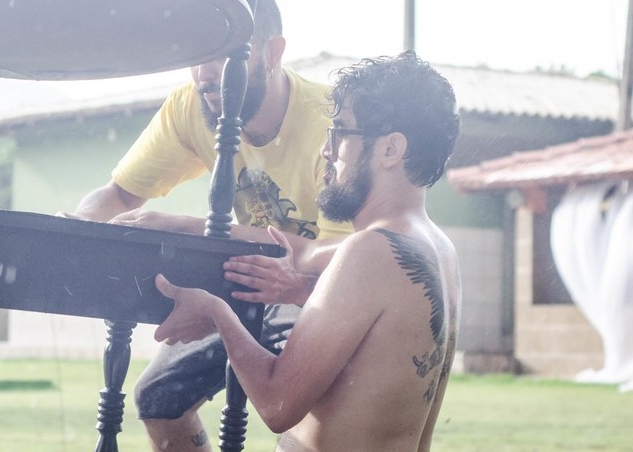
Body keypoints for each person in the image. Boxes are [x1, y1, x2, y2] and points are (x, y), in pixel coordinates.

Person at [65, 0, 352, 451]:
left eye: (223, 54)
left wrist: (190, 229)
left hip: (315, 291)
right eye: (195, 56)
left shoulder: (333, 124)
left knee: (302, 425)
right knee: (159, 398)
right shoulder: (190, 107)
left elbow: (334, 259)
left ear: (272, 53)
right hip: (240, 279)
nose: (204, 73)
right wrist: (75, 226)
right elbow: (118, 194)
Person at [155, 52, 463, 452]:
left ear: (391, 150)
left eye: (341, 133)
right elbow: (383, 345)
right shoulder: (439, 249)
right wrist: (301, 291)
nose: (326, 151)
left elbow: (277, 403)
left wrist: (215, 311)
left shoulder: (370, 249)